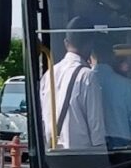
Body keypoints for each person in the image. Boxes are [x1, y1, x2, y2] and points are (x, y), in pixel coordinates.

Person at [39, 17, 105, 149]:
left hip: (52, 152)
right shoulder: (87, 76)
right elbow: (96, 126)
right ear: (90, 44)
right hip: (80, 155)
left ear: (65, 43)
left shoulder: (49, 75)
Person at [91, 37, 131, 148]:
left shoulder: (80, 83)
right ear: (113, 56)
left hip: (89, 152)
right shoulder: (129, 86)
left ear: (91, 56)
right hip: (123, 152)